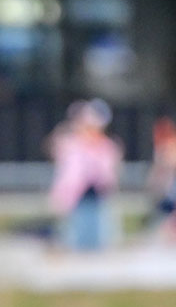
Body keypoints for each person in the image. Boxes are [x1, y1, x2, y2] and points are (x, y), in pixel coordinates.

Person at [47, 99, 123, 251]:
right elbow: (56, 151)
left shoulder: (106, 145)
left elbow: (110, 171)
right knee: (75, 232)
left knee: (98, 231)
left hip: (98, 193)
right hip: (76, 195)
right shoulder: (72, 143)